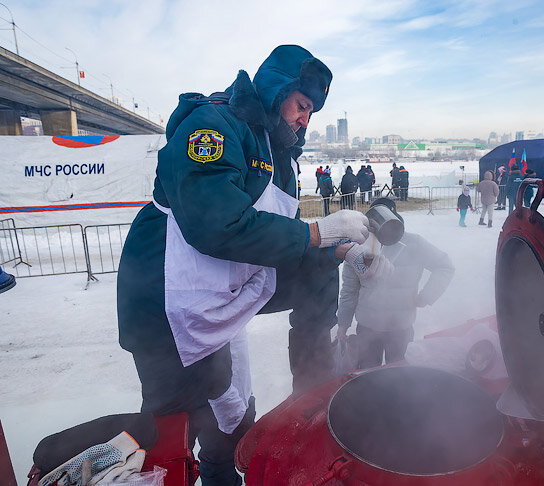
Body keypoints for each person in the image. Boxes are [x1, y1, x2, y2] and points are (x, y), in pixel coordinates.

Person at [116, 45, 383, 486]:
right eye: (302, 106)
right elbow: (215, 224)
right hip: (166, 300)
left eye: (312, 112)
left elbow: (283, 240)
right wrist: (317, 232)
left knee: (233, 418)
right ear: (278, 90)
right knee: (179, 424)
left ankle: (313, 395)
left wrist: (337, 250)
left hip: (225, 291)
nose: (305, 120)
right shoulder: (215, 125)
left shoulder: (281, 156)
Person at [336, 199, 454, 368]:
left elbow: (445, 266)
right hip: (368, 328)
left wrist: (426, 296)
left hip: (401, 328)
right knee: (367, 377)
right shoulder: (359, 248)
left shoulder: (415, 244)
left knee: (399, 379)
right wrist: (343, 324)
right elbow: (349, 290)